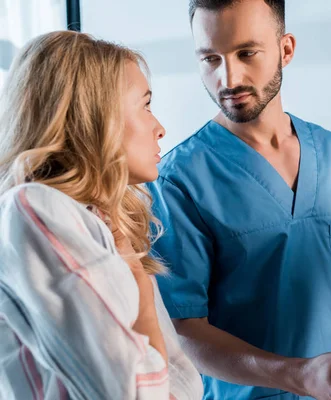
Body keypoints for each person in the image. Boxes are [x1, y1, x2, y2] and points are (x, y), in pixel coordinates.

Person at [149, 1, 331, 399]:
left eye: (246, 53)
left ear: (286, 49)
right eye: (211, 58)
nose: (228, 77)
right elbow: (185, 329)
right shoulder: (179, 178)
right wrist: (300, 375)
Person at [0, 31, 204, 399]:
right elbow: (135, 393)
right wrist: (141, 298)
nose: (160, 128)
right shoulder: (33, 209)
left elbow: (185, 385)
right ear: (96, 117)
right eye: (145, 105)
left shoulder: (103, 229)